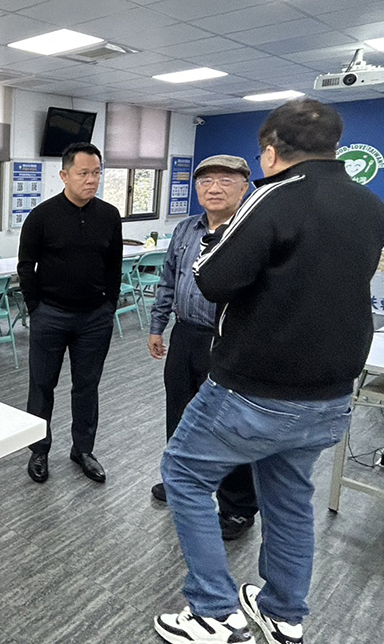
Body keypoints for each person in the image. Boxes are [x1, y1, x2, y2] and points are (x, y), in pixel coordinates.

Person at [154, 99, 384, 644]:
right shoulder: (369, 204)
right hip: (330, 393)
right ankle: (283, 612)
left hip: (255, 388)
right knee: (289, 496)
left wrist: (216, 241)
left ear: (272, 151)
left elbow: (212, 279)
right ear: (334, 146)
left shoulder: (273, 196)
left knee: (183, 473)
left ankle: (211, 610)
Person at [148, 155, 258, 541]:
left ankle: (237, 506)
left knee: (229, 424)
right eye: (205, 181)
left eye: (225, 181)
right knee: (180, 413)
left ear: (244, 187)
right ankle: (180, 480)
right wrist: (157, 326)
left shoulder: (252, 231)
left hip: (229, 339)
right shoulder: (185, 229)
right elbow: (167, 280)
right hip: (185, 334)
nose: (213, 188)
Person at [18, 142, 122, 484]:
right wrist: (35, 308)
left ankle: (83, 450)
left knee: (87, 386)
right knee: (41, 385)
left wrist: (109, 304)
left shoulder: (109, 216)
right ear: (64, 175)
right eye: (83, 173)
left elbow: (114, 265)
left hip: (94, 318)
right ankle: (39, 449)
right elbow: (25, 265)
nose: (91, 180)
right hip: (51, 315)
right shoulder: (42, 216)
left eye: (97, 173)